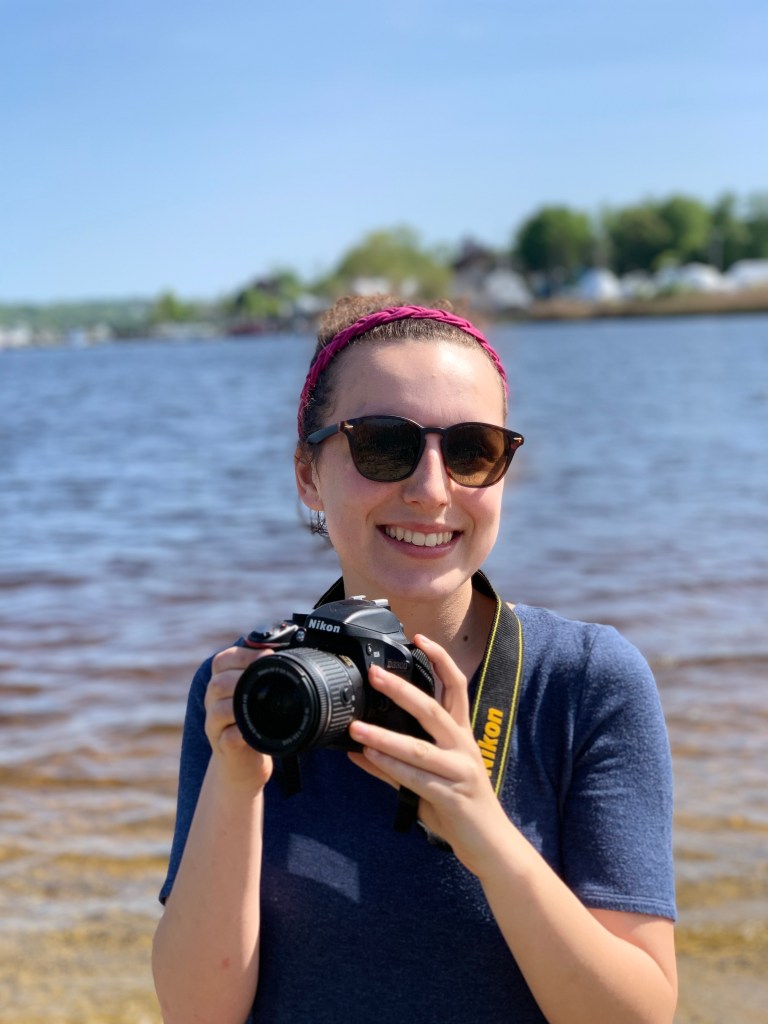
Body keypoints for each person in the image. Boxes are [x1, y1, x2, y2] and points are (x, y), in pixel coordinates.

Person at [152, 296, 677, 1024]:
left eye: (472, 451)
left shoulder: (587, 681)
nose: (431, 488)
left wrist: (481, 829)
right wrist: (239, 776)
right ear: (308, 474)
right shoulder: (256, 691)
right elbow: (199, 1013)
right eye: (384, 445)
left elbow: (640, 1015)